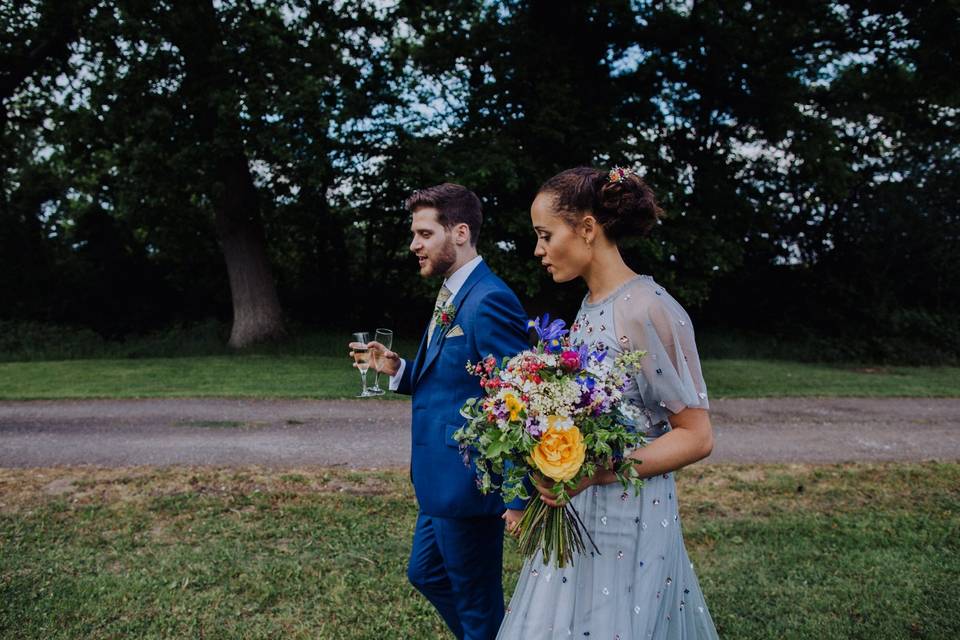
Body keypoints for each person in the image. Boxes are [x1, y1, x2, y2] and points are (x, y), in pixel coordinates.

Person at [496, 167, 719, 639]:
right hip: (581, 515)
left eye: (544, 235)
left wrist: (596, 471)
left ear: (588, 229)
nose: (538, 250)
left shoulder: (648, 308)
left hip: (630, 520)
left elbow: (696, 437)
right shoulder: (589, 306)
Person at [355, 183, 529, 640]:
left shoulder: (489, 299)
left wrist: (516, 497)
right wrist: (399, 369)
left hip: (469, 485)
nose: (414, 244)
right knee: (425, 573)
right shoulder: (453, 293)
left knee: (477, 607)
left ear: (460, 233)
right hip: (438, 483)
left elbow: (516, 400)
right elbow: (454, 382)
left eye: (424, 233)